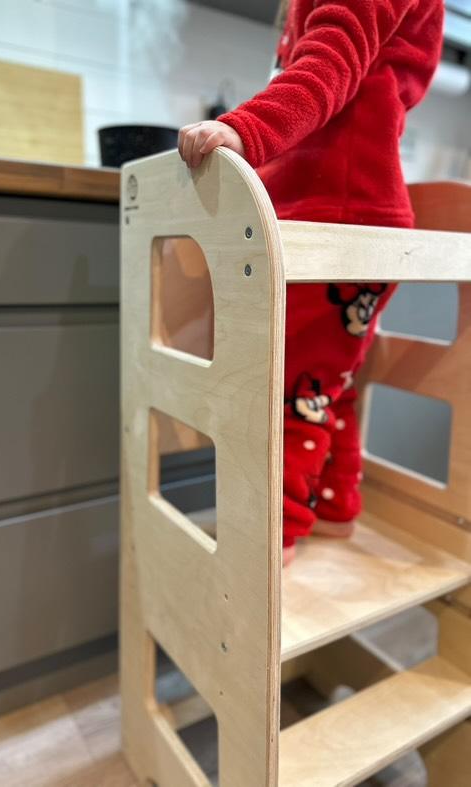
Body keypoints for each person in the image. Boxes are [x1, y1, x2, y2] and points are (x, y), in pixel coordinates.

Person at [178, 0, 444, 565]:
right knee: (325, 381)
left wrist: (244, 129)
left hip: (338, 215)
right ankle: (333, 507)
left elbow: (331, 61)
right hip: (353, 211)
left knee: (293, 385)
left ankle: (275, 536)